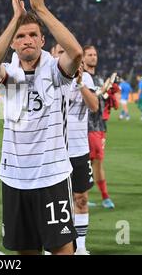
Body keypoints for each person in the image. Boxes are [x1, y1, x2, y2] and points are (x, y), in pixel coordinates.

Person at [0, 0, 83, 255]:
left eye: (32, 35)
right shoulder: (10, 75)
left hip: (52, 177)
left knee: (63, 251)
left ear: (42, 40)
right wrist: (15, 18)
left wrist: (40, 9)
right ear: (13, 44)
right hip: (14, 178)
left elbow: (75, 52)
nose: (26, 40)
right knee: (25, 252)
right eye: (20, 36)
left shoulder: (55, 71)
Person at [52, 44, 98, 255]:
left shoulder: (86, 78)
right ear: (53, 55)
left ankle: (80, 247)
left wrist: (79, 84)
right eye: (60, 52)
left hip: (79, 149)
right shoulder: (47, 77)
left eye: (67, 51)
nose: (64, 56)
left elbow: (94, 106)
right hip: (54, 150)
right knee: (54, 203)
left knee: (81, 198)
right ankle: (54, 245)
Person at [84, 46, 116, 209]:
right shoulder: (81, 77)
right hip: (85, 127)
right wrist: (103, 90)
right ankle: (85, 196)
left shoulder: (99, 78)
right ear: (82, 58)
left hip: (99, 127)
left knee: (96, 161)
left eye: (95, 54)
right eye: (89, 54)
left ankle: (101, 197)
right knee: (87, 162)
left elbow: (103, 101)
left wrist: (110, 95)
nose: (93, 57)